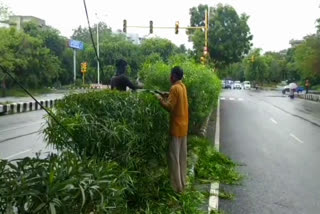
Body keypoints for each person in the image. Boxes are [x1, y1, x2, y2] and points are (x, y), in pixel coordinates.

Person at [156, 66, 189, 193]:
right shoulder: (182, 87)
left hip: (176, 128)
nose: (170, 77)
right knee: (182, 157)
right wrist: (167, 95)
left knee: (174, 158)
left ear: (174, 76)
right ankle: (183, 183)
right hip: (184, 128)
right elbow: (177, 99)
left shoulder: (174, 88)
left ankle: (176, 188)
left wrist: (160, 99)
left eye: (171, 75)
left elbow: (170, 106)